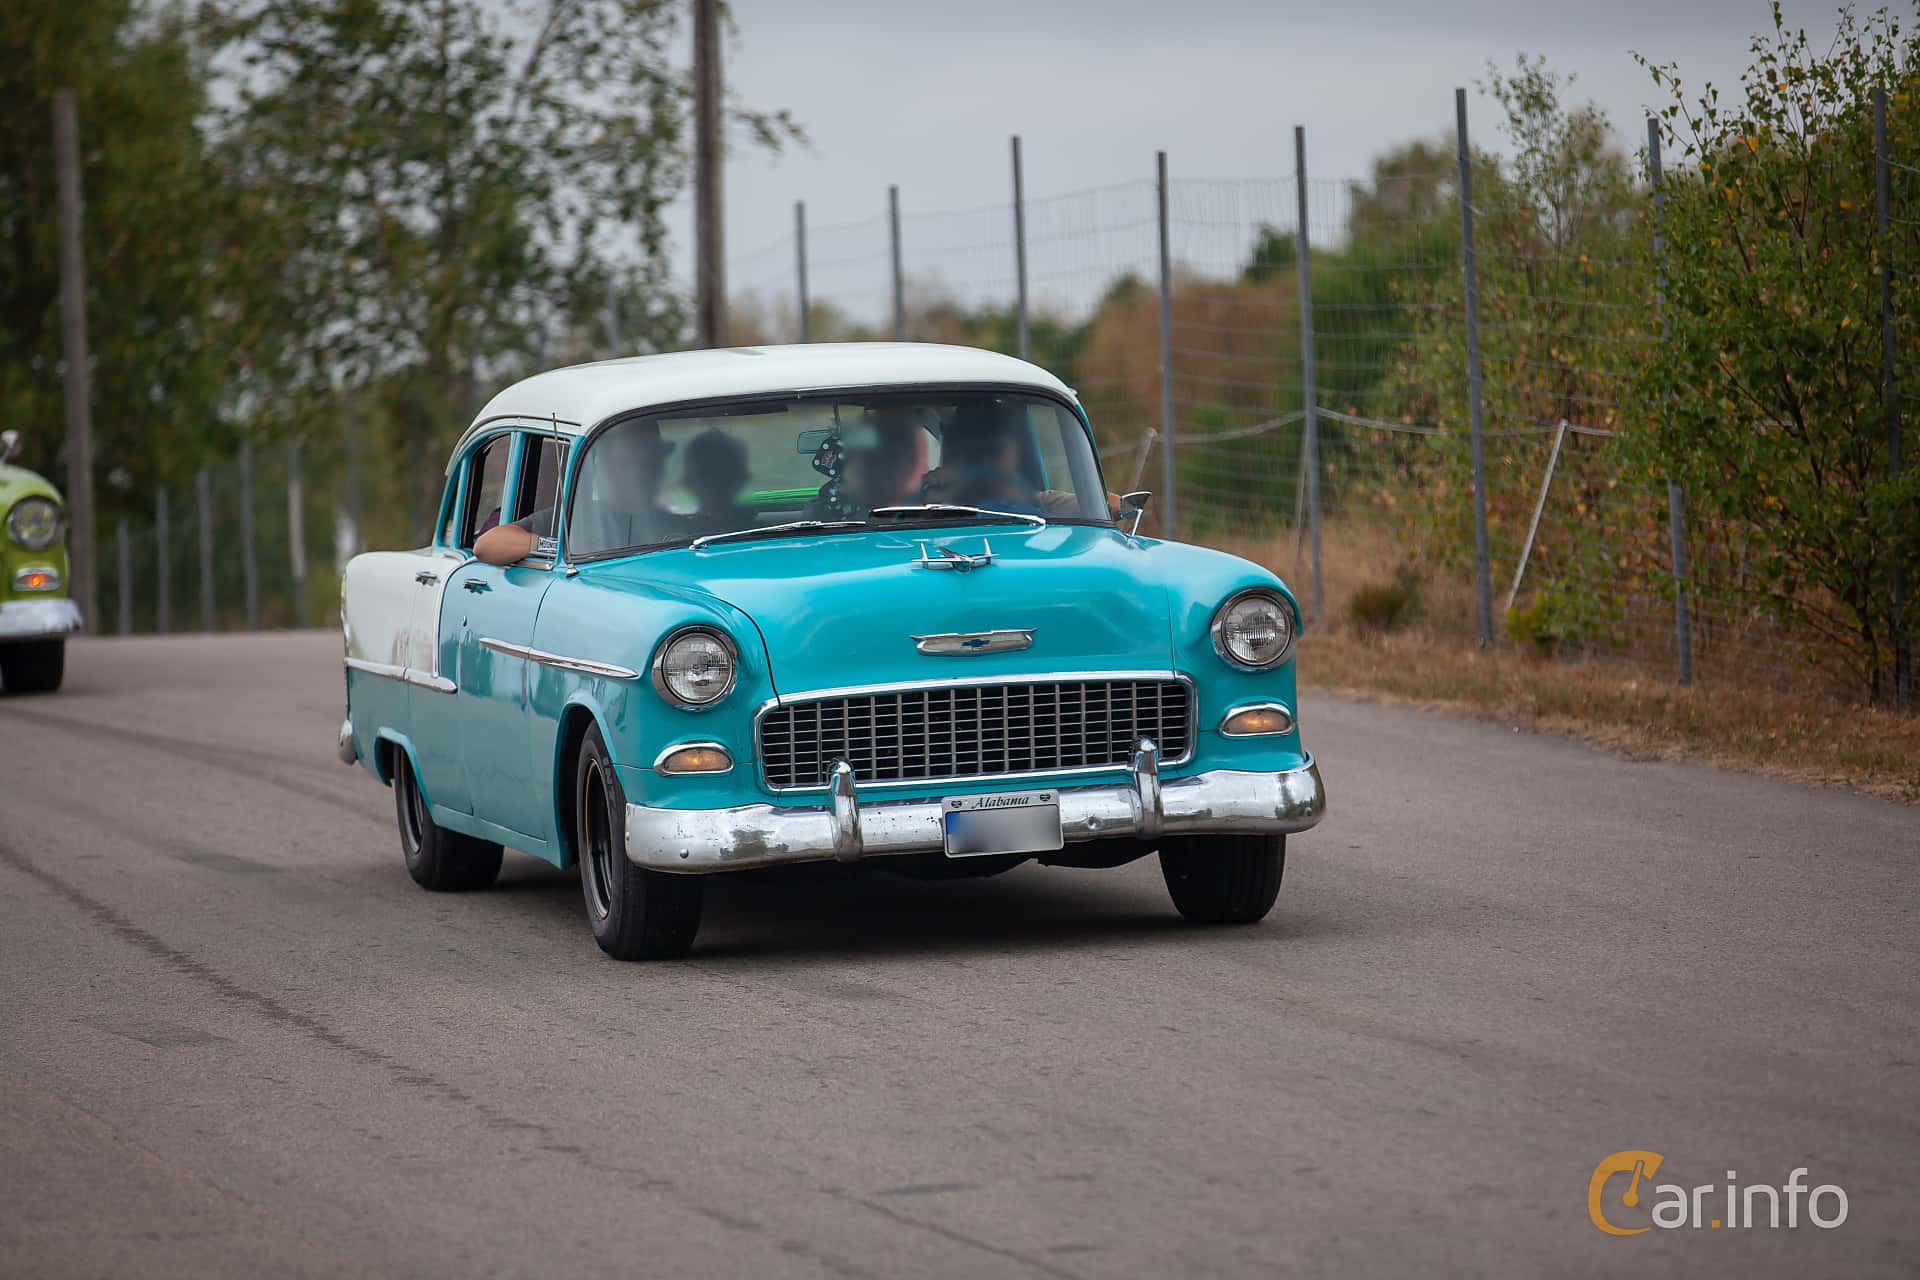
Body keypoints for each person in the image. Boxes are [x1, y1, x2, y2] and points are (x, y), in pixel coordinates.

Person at [473, 422, 672, 565]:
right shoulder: (572, 520)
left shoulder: (687, 522)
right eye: (625, 463)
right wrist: (559, 547)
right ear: (602, 465)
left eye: (650, 462)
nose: (639, 473)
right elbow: (487, 545)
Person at [681, 429, 756, 534]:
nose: (714, 486)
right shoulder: (766, 535)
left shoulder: (769, 534)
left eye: (722, 475)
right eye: (705, 475)